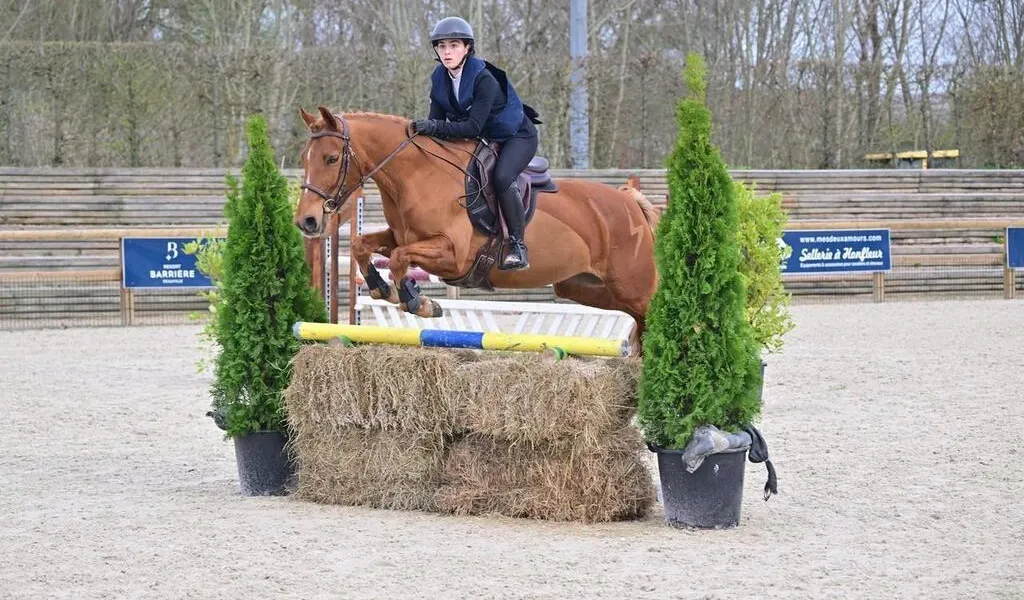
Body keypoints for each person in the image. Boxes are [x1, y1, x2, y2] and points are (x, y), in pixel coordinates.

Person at [410, 16, 540, 271]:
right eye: (442, 46)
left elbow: (471, 127)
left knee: (502, 177)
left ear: (467, 47)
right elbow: (436, 122)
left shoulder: (484, 78)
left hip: (516, 136)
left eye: (454, 45)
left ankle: (517, 244)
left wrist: (433, 127)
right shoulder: (439, 78)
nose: (447, 51)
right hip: (485, 137)